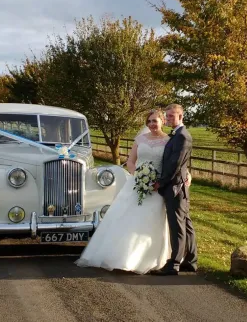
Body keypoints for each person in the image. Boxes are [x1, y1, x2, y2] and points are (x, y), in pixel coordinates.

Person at [75, 109, 189, 274]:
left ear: (162, 121)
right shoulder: (140, 139)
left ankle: (147, 259)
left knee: (151, 220)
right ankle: (120, 257)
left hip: (158, 187)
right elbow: (131, 161)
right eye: (148, 121)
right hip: (137, 184)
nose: (151, 124)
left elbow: (177, 161)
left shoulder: (168, 141)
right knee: (125, 217)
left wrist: (183, 176)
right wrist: (140, 177)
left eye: (154, 121)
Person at [152, 104, 198, 276]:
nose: (168, 118)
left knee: (176, 226)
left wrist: (161, 183)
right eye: (167, 116)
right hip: (179, 185)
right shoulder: (178, 135)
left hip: (176, 187)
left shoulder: (182, 137)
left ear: (181, 116)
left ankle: (174, 264)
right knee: (186, 224)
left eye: (172, 116)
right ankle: (191, 261)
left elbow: (174, 164)